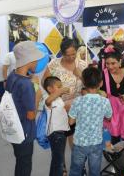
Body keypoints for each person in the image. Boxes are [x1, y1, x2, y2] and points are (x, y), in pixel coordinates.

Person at [42, 36, 85, 174]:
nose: (72, 57)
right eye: (68, 55)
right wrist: (57, 97)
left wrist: (81, 75)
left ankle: (79, 167)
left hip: (77, 107)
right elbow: (45, 83)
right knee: (60, 141)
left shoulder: (82, 64)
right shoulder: (54, 64)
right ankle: (63, 169)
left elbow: (91, 85)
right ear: (62, 53)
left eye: (74, 54)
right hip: (59, 109)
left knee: (76, 140)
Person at [6, 41, 43, 176]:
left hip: (14, 129)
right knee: (25, 165)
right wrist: (37, 94)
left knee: (20, 161)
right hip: (24, 131)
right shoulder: (27, 85)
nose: (38, 62)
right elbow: (31, 115)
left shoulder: (12, 76)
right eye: (36, 60)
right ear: (30, 60)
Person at [68, 67, 112, 176]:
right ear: (101, 83)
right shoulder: (105, 101)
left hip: (79, 142)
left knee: (75, 170)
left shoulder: (77, 101)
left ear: (84, 82)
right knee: (95, 171)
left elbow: (71, 122)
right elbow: (109, 117)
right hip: (96, 142)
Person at [43, 76, 70, 176]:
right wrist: (60, 91)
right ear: (50, 89)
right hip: (56, 134)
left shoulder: (59, 99)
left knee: (56, 160)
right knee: (59, 163)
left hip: (60, 133)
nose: (61, 88)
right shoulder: (48, 99)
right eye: (58, 86)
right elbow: (48, 101)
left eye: (61, 86)